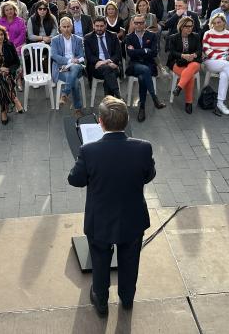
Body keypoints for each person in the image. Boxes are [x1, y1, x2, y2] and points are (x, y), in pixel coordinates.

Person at [67, 95, 155, 317]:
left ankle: (101, 300)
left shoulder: (88, 151)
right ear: (126, 122)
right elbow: (149, 175)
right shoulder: (144, 148)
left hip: (100, 219)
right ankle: (127, 299)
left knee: (100, 258)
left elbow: (75, 180)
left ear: (101, 123)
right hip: (132, 217)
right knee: (130, 259)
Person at [125, 14, 165, 122]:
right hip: (134, 65)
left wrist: (138, 52)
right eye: (136, 23)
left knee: (143, 77)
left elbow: (154, 52)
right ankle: (154, 97)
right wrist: (145, 51)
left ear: (145, 23)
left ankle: (142, 107)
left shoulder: (152, 36)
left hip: (149, 64)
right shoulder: (129, 37)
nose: (138, 25)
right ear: (133, 23)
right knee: (145, 70)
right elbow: (130, 53)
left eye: (141, 23)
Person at [50, 17, 86, 117]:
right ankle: (78, 108)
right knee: (74, 81)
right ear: (60, 28)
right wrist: (69, 61)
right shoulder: (55, 40)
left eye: (68, 26)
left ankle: (65, 93)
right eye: (64, 27)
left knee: (74, 68)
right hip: (61, 68)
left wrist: (75, 61)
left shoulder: (78, 39)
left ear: (72, 26)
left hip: (76, 66)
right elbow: (54, 56)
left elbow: (82, 55)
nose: (66, 29)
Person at [168, 16, 202, 114]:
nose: (190, 28)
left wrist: (193, 55)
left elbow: (199, 50)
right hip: (178, 62)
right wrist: (183, 55)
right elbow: (172, 52)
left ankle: (179, 87)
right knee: (190, 77)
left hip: (193, 62)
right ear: (181, 27)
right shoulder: (173, 37)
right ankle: (188, 102)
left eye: (191, 26)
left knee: (193, 66)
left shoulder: (195, 36)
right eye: (187, 26)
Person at [84, 16, 122, 99]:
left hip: (112, 65)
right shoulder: (88, 38)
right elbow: (89, 56)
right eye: (97, 26)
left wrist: (107, 61)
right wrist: (106, 63)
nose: (99, 28)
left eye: (101, 26)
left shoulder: (113, 36)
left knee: (108, 73)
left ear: (105, 26)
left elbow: (118, 54)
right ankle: (117, 96)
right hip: (96, 68)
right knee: (109, 71)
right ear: (93, 26)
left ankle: (110, 101)